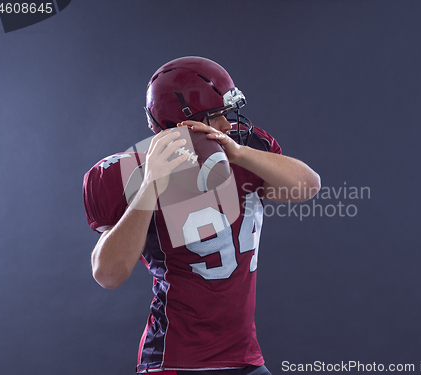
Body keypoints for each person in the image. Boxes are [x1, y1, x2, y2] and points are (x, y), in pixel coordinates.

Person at [83, 56, 320, 375]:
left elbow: (307, 186)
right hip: (175, 360)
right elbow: (109, 274)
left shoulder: (243, 150)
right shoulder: (125, 173)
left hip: (245, 357)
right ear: (182, 126)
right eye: (216, 116)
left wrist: (239, 153)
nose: (227, 125)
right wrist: (151, 185)